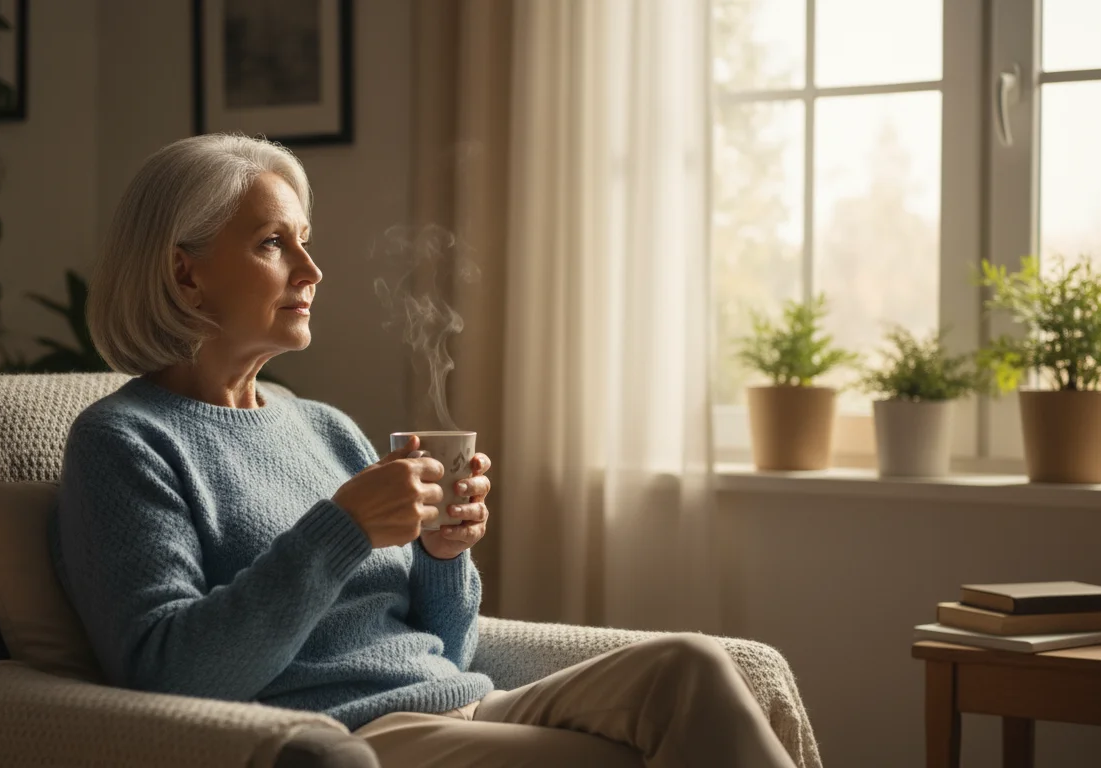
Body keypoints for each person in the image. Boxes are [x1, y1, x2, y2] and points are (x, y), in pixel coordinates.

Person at [50, 133, 798, 768]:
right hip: (361, 738)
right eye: (274, 244)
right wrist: (342, 530)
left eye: (305, 243)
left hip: (467, 706)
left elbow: (449, 645)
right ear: (185, 271)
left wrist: (443, 554)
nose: (311, 272)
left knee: (692, 666)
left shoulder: (322, 426)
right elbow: (167, 670)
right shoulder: (124, 443)